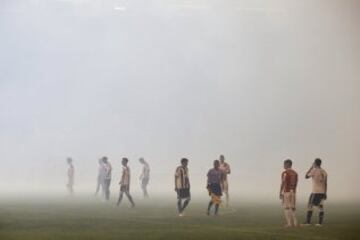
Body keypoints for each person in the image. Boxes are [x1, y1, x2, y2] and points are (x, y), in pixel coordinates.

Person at [302, 158, 328, 227]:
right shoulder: (324, 172)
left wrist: (310, 168)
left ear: (315, 163)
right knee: (320, 207)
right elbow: (325, 183)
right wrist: (325, 193)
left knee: (310, 206)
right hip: (322, 192)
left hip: (315, 191)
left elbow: (306, 176)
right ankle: (320, 223)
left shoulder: (314, 170)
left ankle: (308, 222)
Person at [279, 159, 298, 228]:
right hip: (293, 192)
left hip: (287, 192)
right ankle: (295, 223)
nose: (283, 165)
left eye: (284, 164)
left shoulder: (285, 173)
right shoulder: (295, 173)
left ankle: (289, 224)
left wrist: (280, 192)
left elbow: (283, 183)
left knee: (286, 208)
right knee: (292, 208)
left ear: (287, 164)